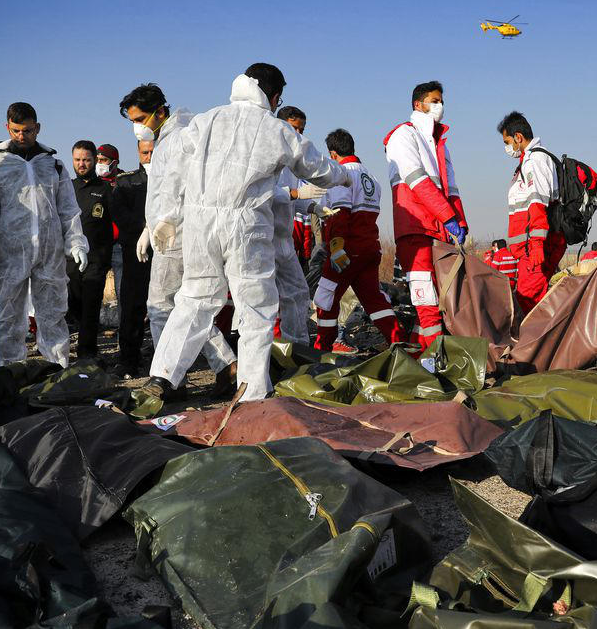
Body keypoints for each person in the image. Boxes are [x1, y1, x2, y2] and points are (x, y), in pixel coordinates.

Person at [146, 64, 348, 401]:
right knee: (255, 307)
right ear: (275, 97)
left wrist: (166, 216)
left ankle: (162, 376)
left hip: (199, 224)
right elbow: (315, 167)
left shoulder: (206, 120)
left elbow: (172, 167)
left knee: (194, 298)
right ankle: (252, 391)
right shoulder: (275, 129)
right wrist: (343, 176)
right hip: (245, 226)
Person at [120, 82, 236, 389]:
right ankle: (226, 366)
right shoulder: (173, 136)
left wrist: (162, 224)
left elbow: (177, 189)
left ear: (160, 112)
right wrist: (149, 226)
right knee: (187, 305)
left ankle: (170, 379)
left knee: (160, 306)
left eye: (140, 119)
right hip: (176, 231)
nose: (137, 127)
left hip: (176, 234)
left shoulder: (177, 140)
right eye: (133, 121)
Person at [0, 102, 89, 368]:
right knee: (8, 315)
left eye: (28, 130)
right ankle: (9, 371)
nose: (22, 136)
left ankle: (56, 368)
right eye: (16, 130)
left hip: (50, 253)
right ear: (7, 127)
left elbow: (68, 210)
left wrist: (76, 242)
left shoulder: (54, 166)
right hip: (10, 253)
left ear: (38, 127)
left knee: (53, 313)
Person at [385, 80, 468, 349]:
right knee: (427, 303)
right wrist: (448, 216)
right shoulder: (404, 135)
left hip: (438, 230)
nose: (440, 106)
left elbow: (451, 187)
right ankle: (434, 364)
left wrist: (460, 221)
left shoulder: (439, 145)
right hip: (416, 228)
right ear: (418, 104)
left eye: (442, 101)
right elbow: (417, 181)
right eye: (434, 100)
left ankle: (418, 357)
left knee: (436, 300)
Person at [313, 128, 404, 351]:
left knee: (325, 297)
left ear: (333, 154)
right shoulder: (370, 177)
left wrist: (336, 247)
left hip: (346, 250)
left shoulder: (341, 174)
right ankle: (400, 343)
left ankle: (321, 350)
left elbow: (340, 213)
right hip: (370, 250)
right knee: (374, 300)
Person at [497, 111, 566, 313]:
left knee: (528, 300)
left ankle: (539, 344)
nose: (507, 147)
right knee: (533, 302)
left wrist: (536, 246)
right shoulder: (527, 162)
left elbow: (538, 204)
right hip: (529, 250)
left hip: (534, 250)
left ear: (518, 137)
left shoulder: (535, 161)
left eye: (507, 141)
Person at [275, 107, 327, 344]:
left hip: (284, 239)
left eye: (301, 130)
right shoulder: (267, 153)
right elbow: (260, 195)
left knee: (298, 293)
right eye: (293, 128)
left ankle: (295, 346)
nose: (297, 133)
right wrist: (295, 192)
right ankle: (275, 347)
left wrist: (312, 207)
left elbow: (290, 202)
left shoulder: (292, 162)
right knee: (269, 299)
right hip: (263, 238)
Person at [108, 139, 153, 377]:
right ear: (138, 151)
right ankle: (128, 360)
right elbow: (118, 211)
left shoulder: (169, 178)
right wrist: (143, 227)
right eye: (145, 152)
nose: (149, 156)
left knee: (164, 306)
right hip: (134, 252)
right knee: (132, 307)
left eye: (153, 152)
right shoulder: (127, 180)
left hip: (164, 250)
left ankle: (161, 358)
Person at [68, 140, 114, 361]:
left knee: (91, 305)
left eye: (86, 159)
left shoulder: (106, 189)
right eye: (77, 159)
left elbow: (117, 220)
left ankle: (87, 353)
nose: (82, 164)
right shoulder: (66, 188)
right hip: (70, 258)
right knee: (73, 303)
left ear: (94, 160)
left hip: (96, 257)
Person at [96, 143, 123, 304]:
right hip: (98, 245)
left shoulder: (125, 182)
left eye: (104, 160)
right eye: (97, 159)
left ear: (114, 162)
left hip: (119, 245)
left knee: (122, 289)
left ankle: (124, 326)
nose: (100, 164)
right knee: (94, 289)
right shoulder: (93, 183)